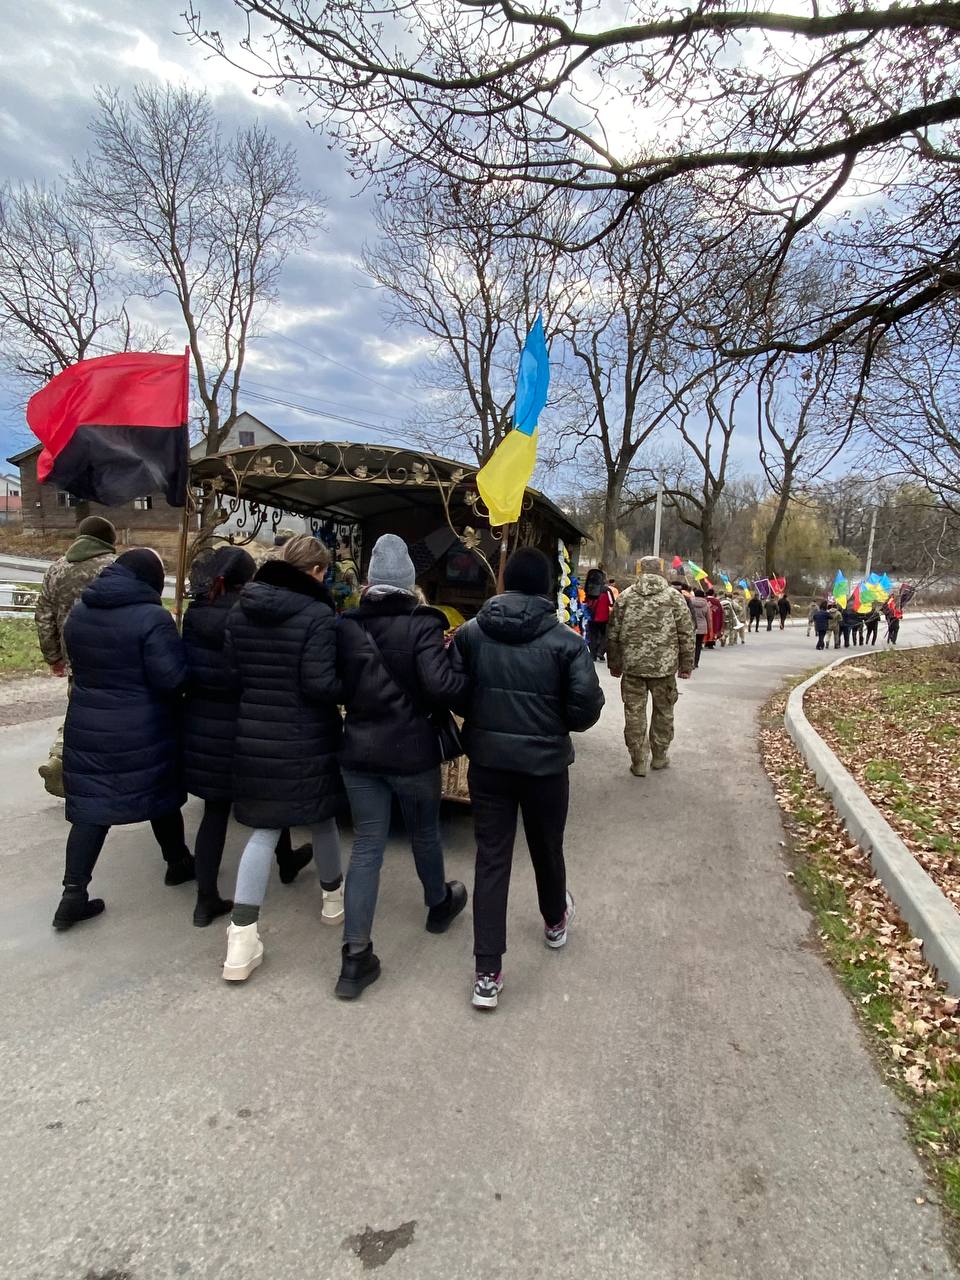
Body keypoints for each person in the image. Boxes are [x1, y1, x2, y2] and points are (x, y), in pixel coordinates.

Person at [455, 547, 604, 1011]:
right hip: (545, 768)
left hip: (488, 765)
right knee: (546, 846)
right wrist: (549, 720)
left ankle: (487, 974)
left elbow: (458, 695)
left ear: (505, 584)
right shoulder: (567, 642)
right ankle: (555, 920)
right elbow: (585, 711)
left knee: (492, 859)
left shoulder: (472, 634)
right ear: (546, 587)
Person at [335, 534, 470, 998]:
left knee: (367, 846)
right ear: (409, 583)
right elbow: (443, 688)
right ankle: (437, 904)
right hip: (413, 754)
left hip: (359, 753)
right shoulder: (423, 624)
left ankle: (355, 958)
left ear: (371, 581)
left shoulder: (347, 625)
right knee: (425, 833)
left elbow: (335, 686)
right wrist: (456, 660)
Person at [221, 535, 346, 981]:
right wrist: (346, 686)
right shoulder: (316, 615)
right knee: (324, 817)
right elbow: (320, 684)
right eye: (323, 571)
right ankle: (333, 902)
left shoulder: (242, 608)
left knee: (263, 831)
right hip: (306, 734)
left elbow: (233, 672)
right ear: (314, 571)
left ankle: (241, 939)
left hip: (254, 733)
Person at [51, 549, 193, 930]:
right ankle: (178, 863)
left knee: (91, 810)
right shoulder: (152, 618)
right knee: (159, 794)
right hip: (142, 726)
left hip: (88, 723)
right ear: (148, 580)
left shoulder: (81, 612)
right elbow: (172, 678)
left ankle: (73, 893)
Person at [183, 547, 312, 928]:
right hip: (245, 717)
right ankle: (285, 862)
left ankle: (206, 897)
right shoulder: (250, 614)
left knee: (215, 810)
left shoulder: (196, 614)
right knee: (272, 798)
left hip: (203, 721)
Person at [35, 516, 117, 797]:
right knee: (106, 714)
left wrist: (53, 656)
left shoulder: (56, 569)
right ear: (109, 540)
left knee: (79, 707)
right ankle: (93, 773)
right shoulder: (112, 568)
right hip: (110, 654)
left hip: (73, 657)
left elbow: (43, 616)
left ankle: (60, 757)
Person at [607, 554, 695, 778]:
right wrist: (686, 665)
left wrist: (615, 663)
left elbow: (613, 634)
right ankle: (659, 756)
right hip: (664, 670)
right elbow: (686, 633)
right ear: (661, 571)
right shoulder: (674, 598)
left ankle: (638, 761)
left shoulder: (625, 597)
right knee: (664, 712)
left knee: (634, 713)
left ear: (640, 571)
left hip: (633, 668)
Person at [588, 576, 615, 661]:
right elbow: (611, 603)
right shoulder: (607, 590)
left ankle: (593, 655)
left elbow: (586, 601)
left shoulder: (591, 589)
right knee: (604, 636)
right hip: (604, 618)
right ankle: (600, 651)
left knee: (593, 635)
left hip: (592, 617)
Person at [691, 588, 710, 667]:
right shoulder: (706, 604)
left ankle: (690, 661)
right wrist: (709, 628)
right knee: (698, 645)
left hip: (692, 626)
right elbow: (708, 617)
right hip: (702, 627)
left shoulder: (690, 602)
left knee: (691, 645)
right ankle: (696, 662)